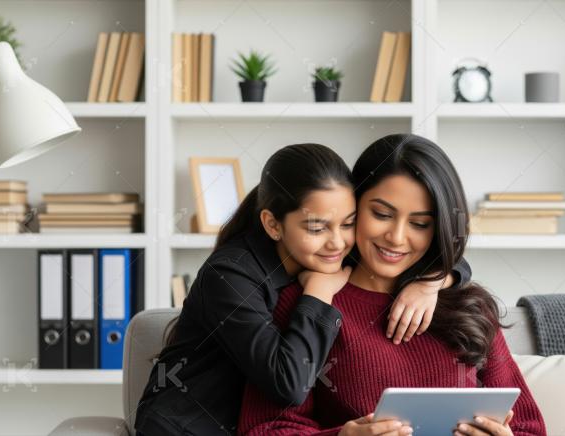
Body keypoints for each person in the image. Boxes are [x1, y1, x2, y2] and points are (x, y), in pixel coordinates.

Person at [134, 143, 473, 435]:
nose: (338, 241)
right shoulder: (230, 275)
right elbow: (289, 384)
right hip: (187, 425)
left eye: (349, 222)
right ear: (272, 224)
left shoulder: (328, 250)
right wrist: (318, 295)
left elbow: (441, 256)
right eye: (317, 226)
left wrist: (432, 282)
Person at [237, 134, 547, 436]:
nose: (396, 238)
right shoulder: (304, 304)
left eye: (419, 224)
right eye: (382, 214)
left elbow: (528, 428)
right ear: (353, 203)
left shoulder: (468, 306)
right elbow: (265, 429)